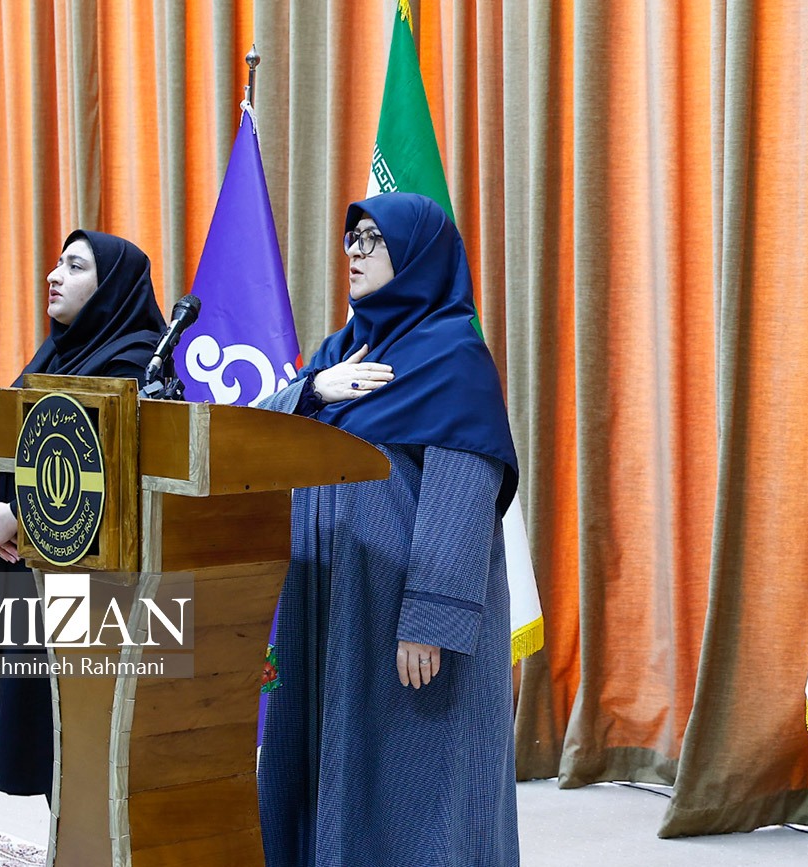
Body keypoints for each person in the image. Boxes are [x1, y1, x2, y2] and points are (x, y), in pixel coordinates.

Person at [257, 192, 521, 866]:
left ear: (418, 256)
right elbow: (255, 432)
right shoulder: (343, 351)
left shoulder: (452, 356)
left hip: (398, 611)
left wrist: (430, 616)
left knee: (414, 785)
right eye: (353, 238)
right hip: (325, 602)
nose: (354, 251)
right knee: (320, 763)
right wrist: (313, 390)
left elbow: (464, 492)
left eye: (373, 239)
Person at [0, 229, 167, 797]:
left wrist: (18, 519)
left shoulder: (136, 362)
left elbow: (107, 470)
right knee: (40, 738)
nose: (53, 275)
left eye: (75, 267)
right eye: (57, 263)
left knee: (75, 737)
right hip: (20, 560)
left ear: (112, 286)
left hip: (83, 575)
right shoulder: (55, 353)